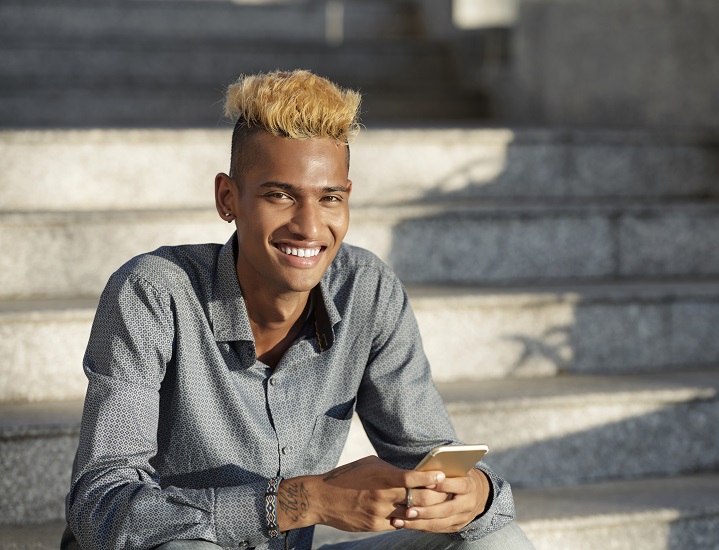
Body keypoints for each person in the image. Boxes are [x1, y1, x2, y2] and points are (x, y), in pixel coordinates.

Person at [62, 70, 534, 550]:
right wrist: (304, 502)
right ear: (228, 199)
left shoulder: (366, 290)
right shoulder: (152, 292)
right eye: (280, 195)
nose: (309, 227)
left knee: (493, 540)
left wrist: (475, 494)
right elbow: (100, 505)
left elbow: (430, 459)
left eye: (329, 198)